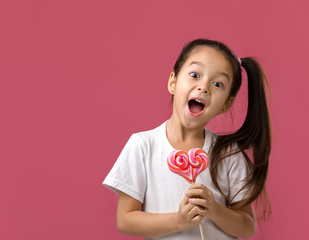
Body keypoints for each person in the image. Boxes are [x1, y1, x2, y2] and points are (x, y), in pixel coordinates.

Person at [103, 39, 271, 240]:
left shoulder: (228, 154)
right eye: (195, 75)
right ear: (173, 82)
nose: (204, 87)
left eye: (217, 84)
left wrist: (214, 210)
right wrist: (179, 221)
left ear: (226, 104)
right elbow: (125, 220)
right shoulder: (143, 146)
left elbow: (246, 227)